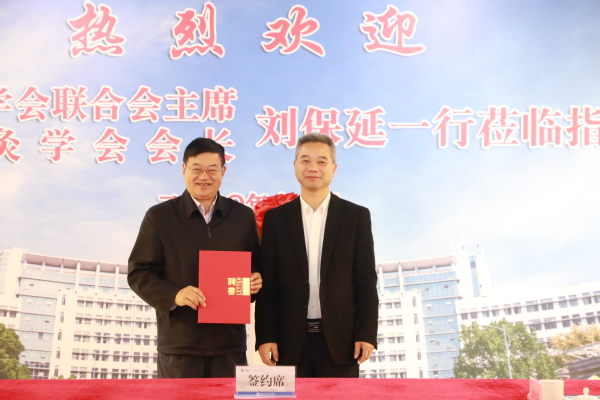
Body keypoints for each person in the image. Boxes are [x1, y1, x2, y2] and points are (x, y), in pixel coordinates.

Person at [128, 138, 262, 378]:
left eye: (212, 169)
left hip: (229, 346)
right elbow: (139, 272)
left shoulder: (242, 217)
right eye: (197, 169)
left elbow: (255, 269)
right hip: (180, 346)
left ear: (223, 171)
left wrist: (255, 282)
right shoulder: (160, 217)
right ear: (184, 169)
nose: (204, 177)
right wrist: (175, 295)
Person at [255, 133, 379, 377]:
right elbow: (269, 284)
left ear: (334, 168)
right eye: (305, 160)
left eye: (322, 161)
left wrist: (366, 333)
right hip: (289, 343)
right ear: (295, 166)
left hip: (342, 342)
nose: (313, 167)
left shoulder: (356, 217)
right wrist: (266, 335)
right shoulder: (276, 220)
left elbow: (365, 280)